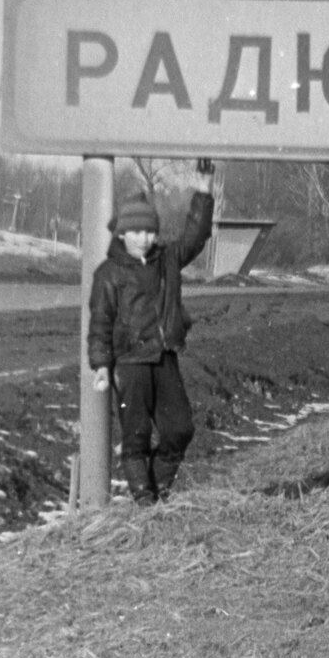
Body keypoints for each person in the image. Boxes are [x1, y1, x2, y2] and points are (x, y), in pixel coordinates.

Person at [88, 160, 216, 503]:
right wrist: (101, 365)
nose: (143, 239)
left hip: (163, 357)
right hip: (129, 363)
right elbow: (100, 322)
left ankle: (156, 489)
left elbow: (196, 234)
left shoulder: (167, 259)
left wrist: (203, 189)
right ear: (122, 233)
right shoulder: (109, 273)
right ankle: (144, 500)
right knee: (137, 436)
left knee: (180, 429)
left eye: (149, 231)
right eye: (136, 232)